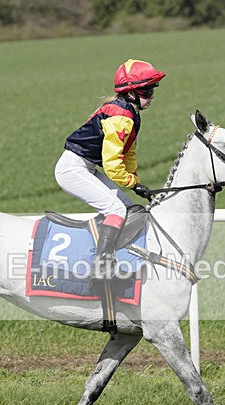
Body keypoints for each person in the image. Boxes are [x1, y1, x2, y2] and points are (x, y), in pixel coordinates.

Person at [55, 59, 165, 279]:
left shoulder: (131, 113)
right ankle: (101, 266)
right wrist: (132, 184)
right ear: (131, 93)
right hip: (72, 169)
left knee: (130, 209)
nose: (151, 96)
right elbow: (112, 164)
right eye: (146, 91)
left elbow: (129, 153)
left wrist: (135, 180)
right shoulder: (121, 117)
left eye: (153, 90)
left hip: (85, 167)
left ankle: (118, 254)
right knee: (116, 210)